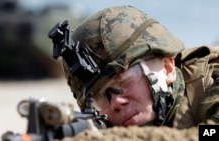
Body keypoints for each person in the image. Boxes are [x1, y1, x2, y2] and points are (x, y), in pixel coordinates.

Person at [59, 5, 219, 128]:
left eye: (125, 82)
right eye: (100, 98)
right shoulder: (103, 124)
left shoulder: (211, 87)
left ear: (167, 68)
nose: (116, 103)